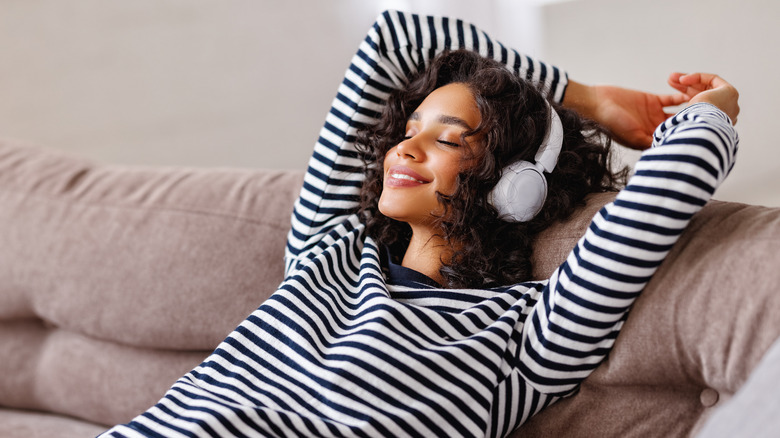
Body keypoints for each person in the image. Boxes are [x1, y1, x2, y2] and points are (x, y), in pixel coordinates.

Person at [99, 10, 739, 438]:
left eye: (448, 140)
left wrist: (716, 109)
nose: (404, 150)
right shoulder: (329, 250)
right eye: (407, 133)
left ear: (516, 185)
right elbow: (398, 34)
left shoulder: (528, 336)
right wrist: (585, 96)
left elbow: (664, 192)